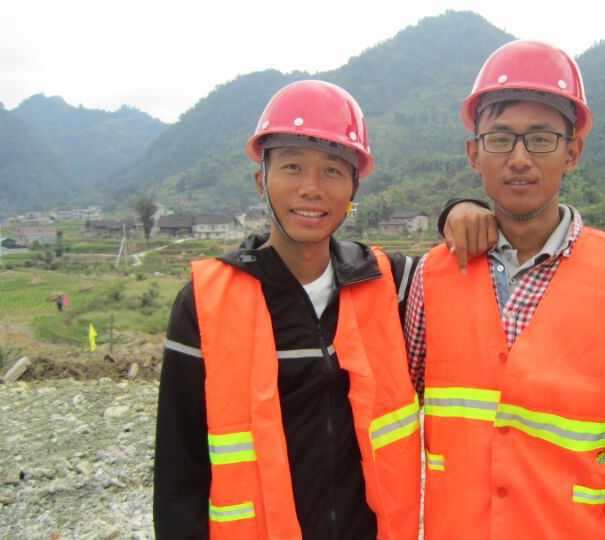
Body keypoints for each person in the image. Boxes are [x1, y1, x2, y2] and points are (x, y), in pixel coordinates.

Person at [153, 79, 494, 539]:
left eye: (332, 171)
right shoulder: (206, 303)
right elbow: (179, 477)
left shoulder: (386, 282)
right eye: (292, 167)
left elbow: (458, 271)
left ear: (354, 188)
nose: (311, 189)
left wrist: (461, 207)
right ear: (261, 181)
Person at [404, 40, 605, 539]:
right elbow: (395, 410)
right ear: (473, 154)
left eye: (541, 139)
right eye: (500, 139)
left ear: (572, 153)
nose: (520, 159)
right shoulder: (433, 274)